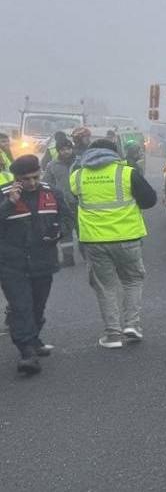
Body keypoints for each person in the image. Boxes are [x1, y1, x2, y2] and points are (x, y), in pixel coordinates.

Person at [69, 138, 157, 348]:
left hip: (94, 240)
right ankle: (132, 325)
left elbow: (72, 198)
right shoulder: (127, 173)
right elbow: (150, 200)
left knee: (105, 286)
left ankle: (113, 335)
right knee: (133, 280)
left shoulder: (78, 175)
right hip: (127, 237)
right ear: (115, 153)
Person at [0, 156, 71, 375]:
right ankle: (27, 353)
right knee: (22, 307)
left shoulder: (52, 193)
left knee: (37, 306)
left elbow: (68, 218)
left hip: (43, 261)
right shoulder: (4, 194)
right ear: (16, 178)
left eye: (35, 177)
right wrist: (8, 203)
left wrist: (59, 231)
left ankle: (34, 339)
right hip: (11, 263)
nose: (32, 183)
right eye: (26, 179)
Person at [41, 142, 78, 266]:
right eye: (63, 149)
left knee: (83, 231)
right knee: (65, 232)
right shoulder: (52, 165)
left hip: (81, 203)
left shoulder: (80, 163)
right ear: (58, 151)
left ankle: (88, 255)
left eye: (68, 148)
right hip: (63, 204)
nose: (66, 151)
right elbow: (46, 183)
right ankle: (68, 258)